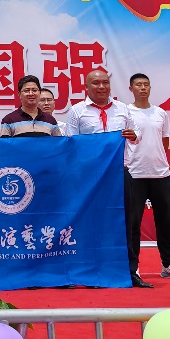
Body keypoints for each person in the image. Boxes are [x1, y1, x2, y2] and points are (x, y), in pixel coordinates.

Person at [62, 70, 146, 288]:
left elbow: (136, 134)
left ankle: (130, 271)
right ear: (86, 87)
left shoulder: (123, 109)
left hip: (119, 173)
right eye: (96, 83)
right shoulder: (77, 111)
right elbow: (71, 144)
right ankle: (90, 271)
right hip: (89, 176)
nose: (101, 87)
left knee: (127, 222)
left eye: (105, 83)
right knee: (90, 223)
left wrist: (133, 135)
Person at [125, 73, 170, 283]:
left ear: (150, 88)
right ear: (131, 89)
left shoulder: (161, 113)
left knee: (165, 222)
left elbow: (165, 142)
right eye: (138, 85)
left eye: (146, 85)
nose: (143, 88)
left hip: (161, 174)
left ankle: (168, 264)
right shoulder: (126, 112)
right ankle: (132, 268)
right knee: (133, 223)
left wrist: (157, 160)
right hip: (135, 173)